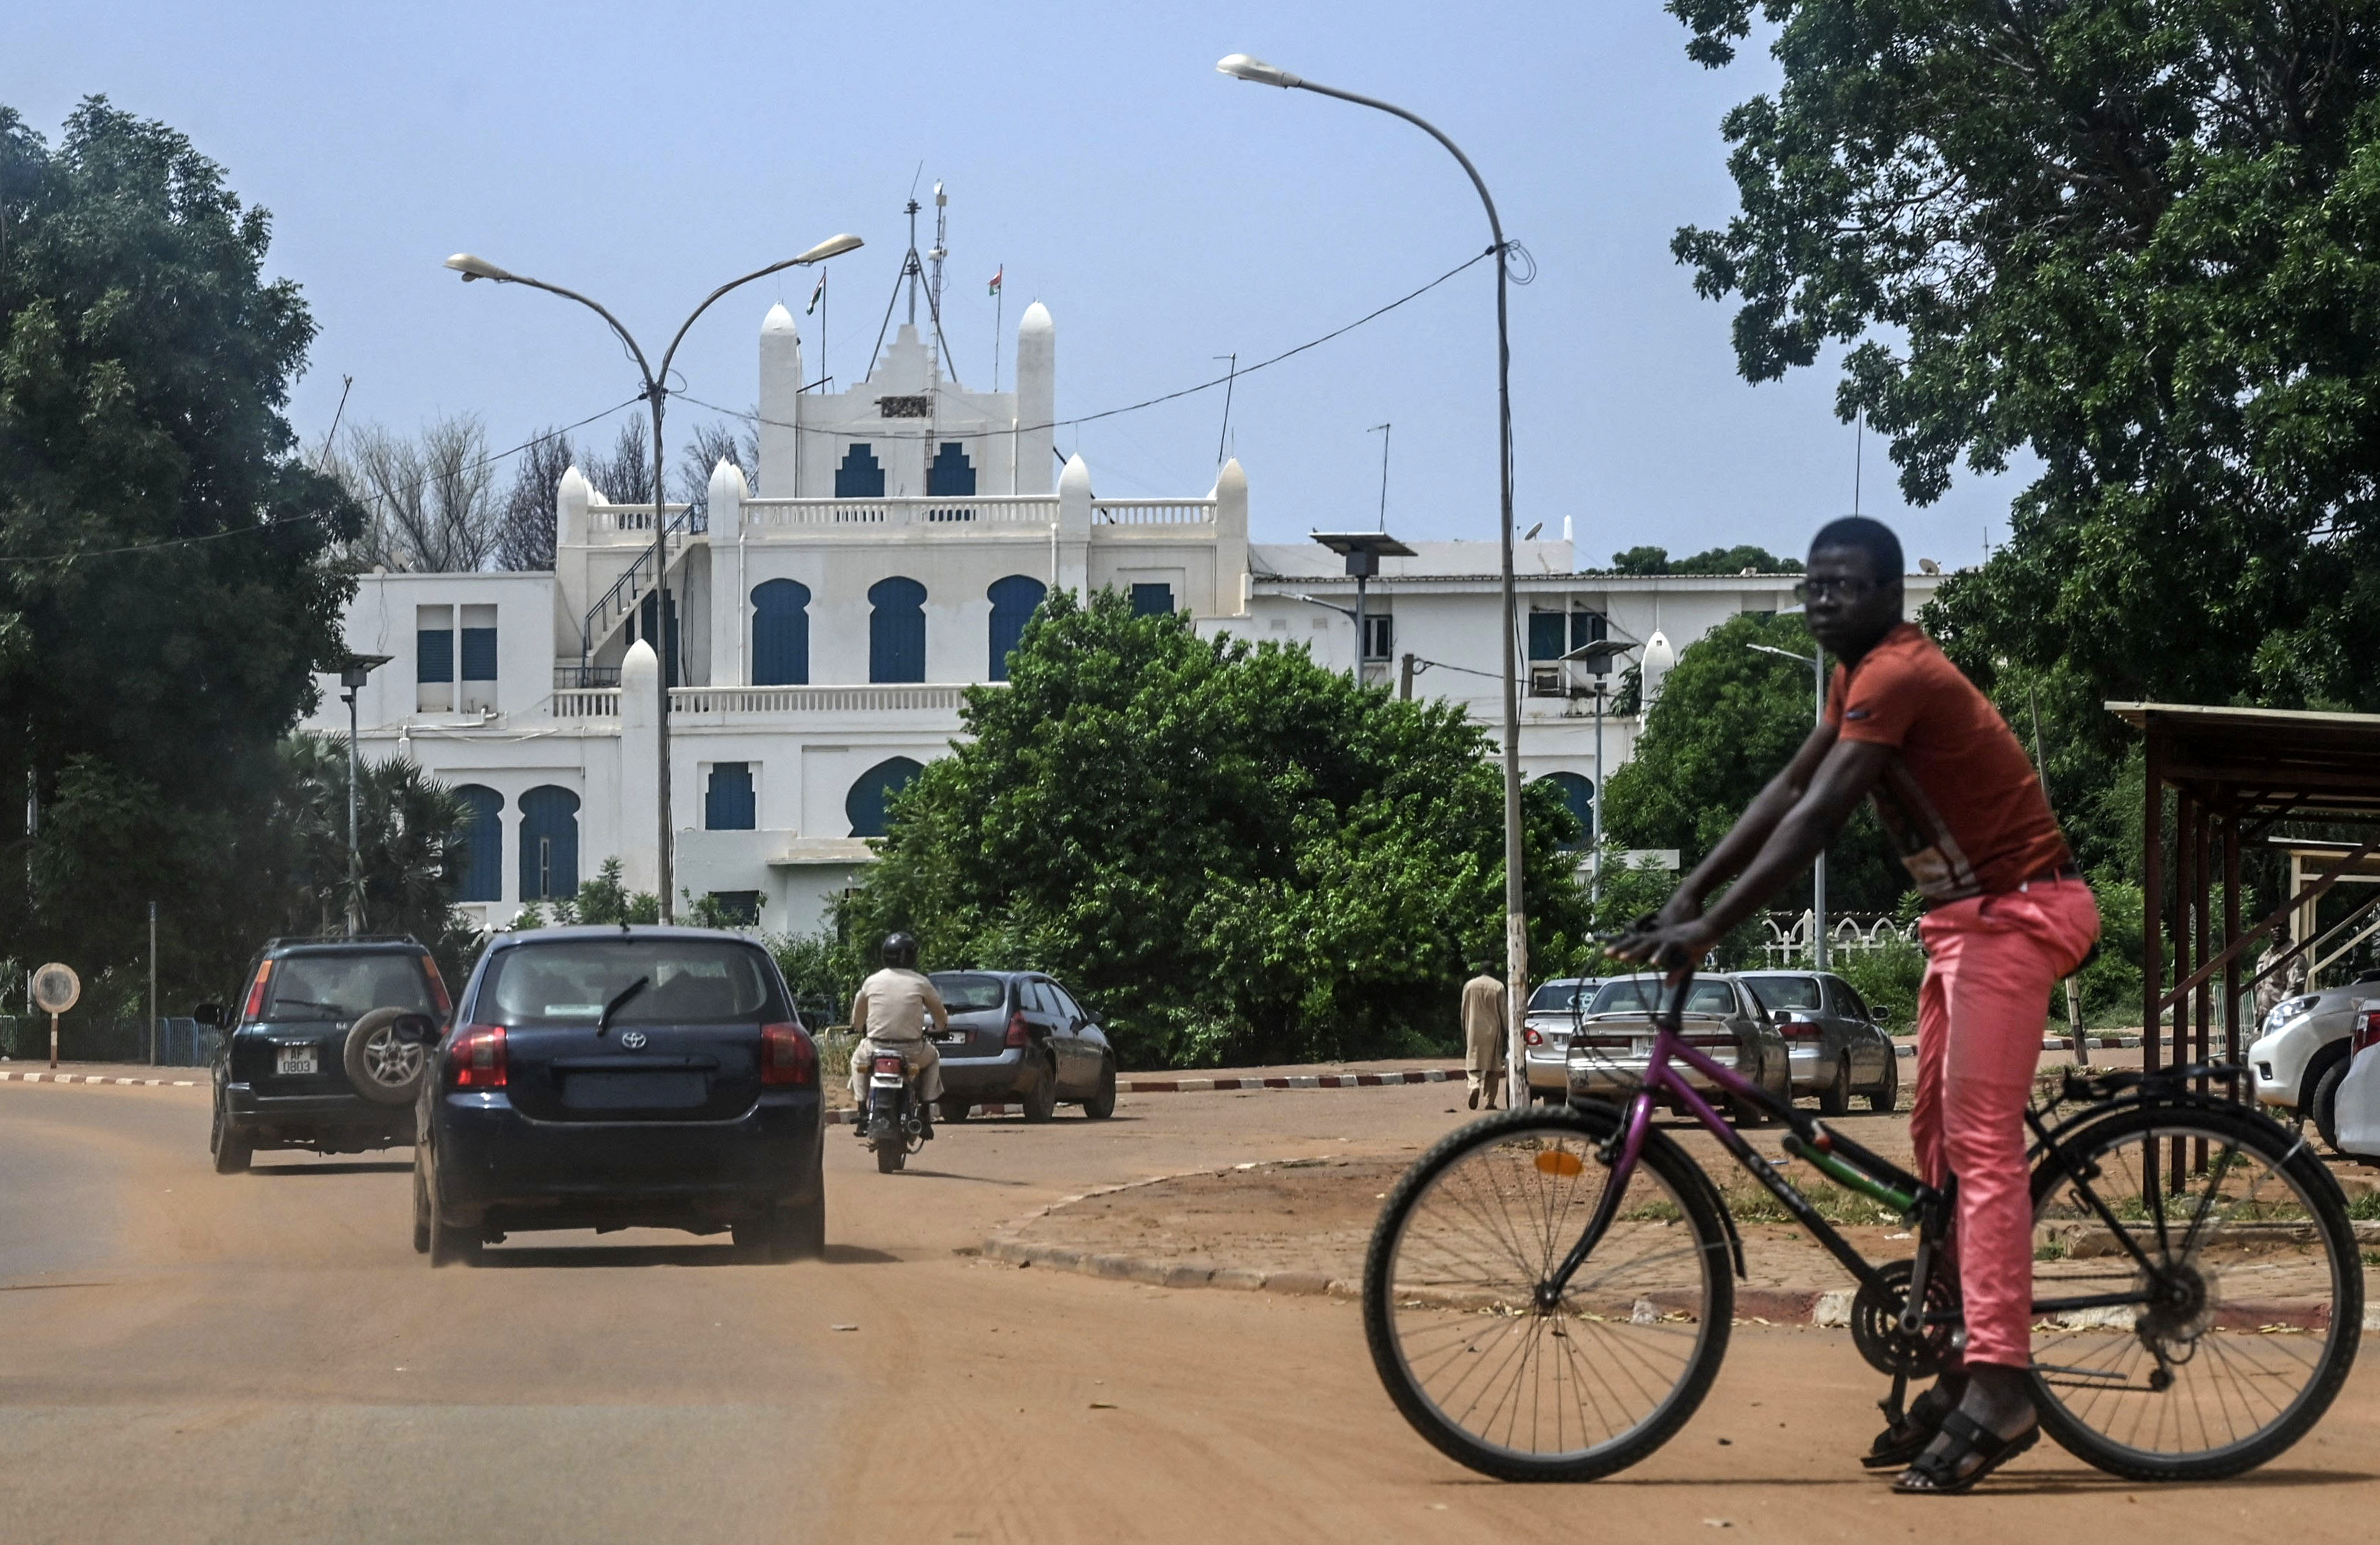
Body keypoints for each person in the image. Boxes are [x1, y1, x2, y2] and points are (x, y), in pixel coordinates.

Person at [1611, 516, 2098, 1497]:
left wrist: (1706, 932)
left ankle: (2001, 1385)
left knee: (1982, 1148)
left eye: (1843, 586)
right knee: (1935, 1153)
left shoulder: (1900, 673)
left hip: (2021, 912)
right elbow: (1782, 789)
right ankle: (1962, 1357)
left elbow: (1819, 817)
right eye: (1811, 586)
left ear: (1889, 598)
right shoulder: (1850, 679)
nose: (1821, 600)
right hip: (1962, 923)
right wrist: (1685, 897)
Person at [847, 932, 948, 1139]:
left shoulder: (872, 981)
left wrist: (857, 1027)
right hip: (911, 1050)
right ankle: (926, 1113)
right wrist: (940, 1027)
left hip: (875, 1048)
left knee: (857, 1060)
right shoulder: (920, 982)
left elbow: (858, 1015)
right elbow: (939, 1013)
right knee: (933, 1058)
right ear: (911, 956)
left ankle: (862, 1110)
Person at [1461, 969, 1507, 1111]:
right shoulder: (1499, 987)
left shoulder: (1469, 985)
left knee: (1473, 1064)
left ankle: (1474, 1085)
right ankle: (1489, 1101)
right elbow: (1504, 1012)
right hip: (1493, 1032)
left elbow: (1463, 1010)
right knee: (1493, 1068)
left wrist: (1464, 1028)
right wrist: (1508, 1031)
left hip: (1474, 1030)